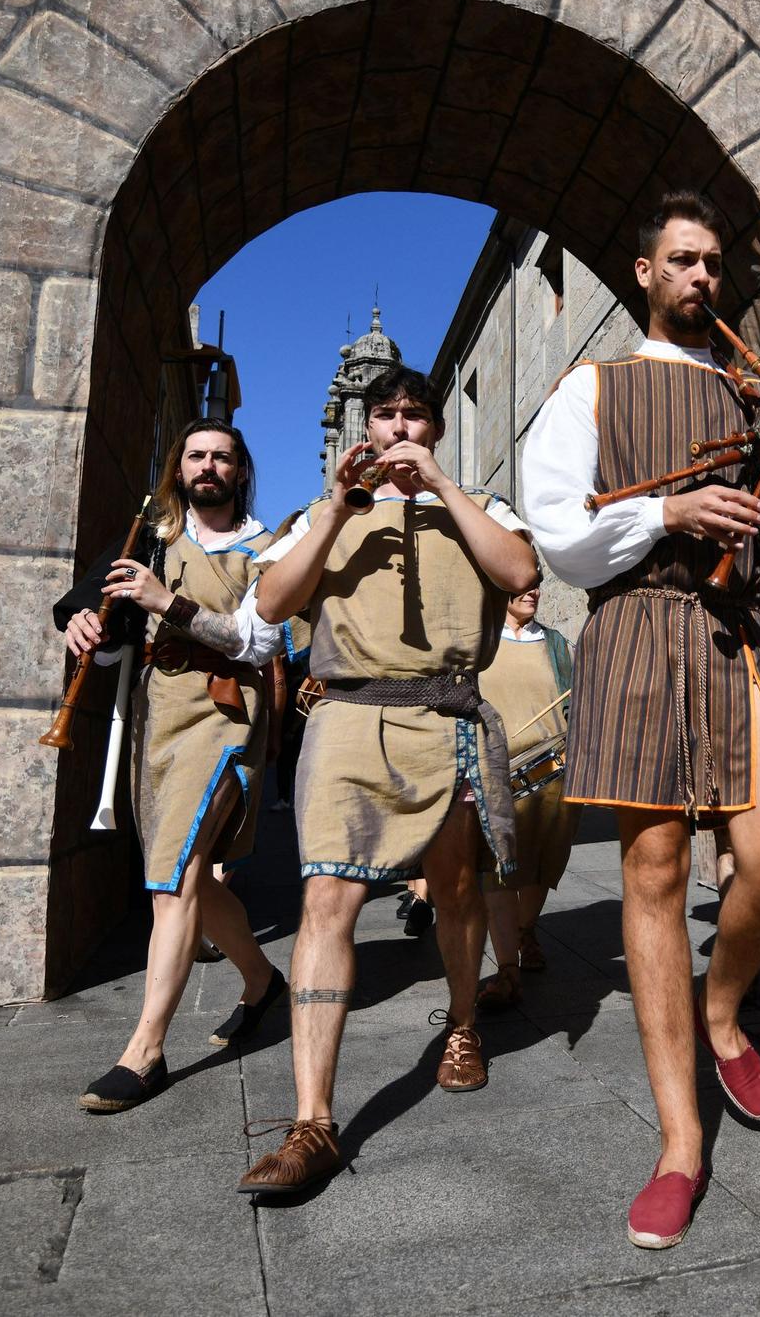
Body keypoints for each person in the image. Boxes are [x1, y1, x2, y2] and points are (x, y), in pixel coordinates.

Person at [522, 189, 760, 1249]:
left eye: (712, 262)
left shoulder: (758, 388)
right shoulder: (593, 385)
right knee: (656, 873)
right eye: (681, 260)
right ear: (643, 273)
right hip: (634, 623)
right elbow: (556, 533)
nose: (701, 278)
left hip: (736, 628)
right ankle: (679, 1142)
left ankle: (721, 1009)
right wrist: (668, 509)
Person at [235, 366, 538, 1196]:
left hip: (443, 713)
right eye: (386, 415)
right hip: (345, 716)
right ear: (364, 428)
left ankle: (464, 1024)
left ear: (436, 428)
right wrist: (335, 507)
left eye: (416, 415)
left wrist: (439, 485)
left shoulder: (481, 505)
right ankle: (313, 1123)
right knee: (325, 898)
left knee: (454, 884)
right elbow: (269, 604)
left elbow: (517, 574)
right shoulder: (316, 513)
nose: (401, 427)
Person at [54, 418, 287, 1112]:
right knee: (181, 870)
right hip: (158, 715)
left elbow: (255, 644)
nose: (208, 465)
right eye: (196, 454)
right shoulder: (153, 532)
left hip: (224, 715)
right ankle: (261, 980)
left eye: (222, 456)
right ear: (179, 466)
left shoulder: (268, 548)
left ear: (241, 470)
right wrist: (80, 624)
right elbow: (91, 603)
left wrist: (168, 602)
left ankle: (145, 1050)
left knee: (172, 877)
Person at [475, 572, 578, 1007]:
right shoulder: (479, 642)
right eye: (523, 583)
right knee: (497, 869)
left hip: (555, 775)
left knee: (542, 865)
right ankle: (507, 967)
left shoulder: (554, 644)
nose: (533, 590)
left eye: (537, 582)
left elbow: (574, 703)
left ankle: (524, 929)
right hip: (494, 775)